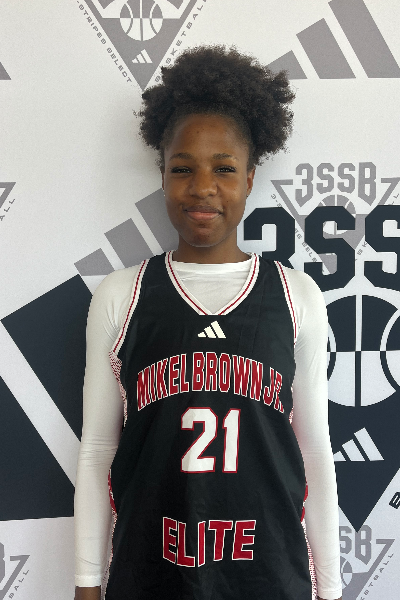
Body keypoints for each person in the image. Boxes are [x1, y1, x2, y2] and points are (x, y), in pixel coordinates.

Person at [74, 46, 342, 600]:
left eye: (223, 168)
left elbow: (314, 452)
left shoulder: (296, 296)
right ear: (162, 176)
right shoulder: (122, 295)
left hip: (269, 576)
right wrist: (86, 584)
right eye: (183, 169)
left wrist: (333, 589)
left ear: (250, 177)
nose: (202, 187)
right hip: (152, 574)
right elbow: (99, 451)